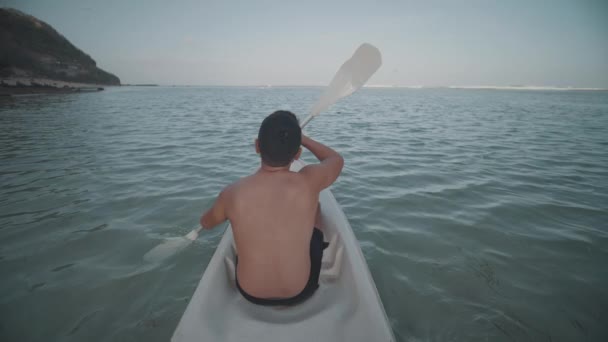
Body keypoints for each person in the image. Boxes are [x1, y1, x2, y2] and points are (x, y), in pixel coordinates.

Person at [199, 110, 344, 306]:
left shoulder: (232, 193)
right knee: (316, 207)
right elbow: (336, 160)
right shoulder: (309, 181)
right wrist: (304, 139)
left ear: (257, 146)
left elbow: (206, 223)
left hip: (249, 293)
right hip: (300, 291)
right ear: (298, 153)